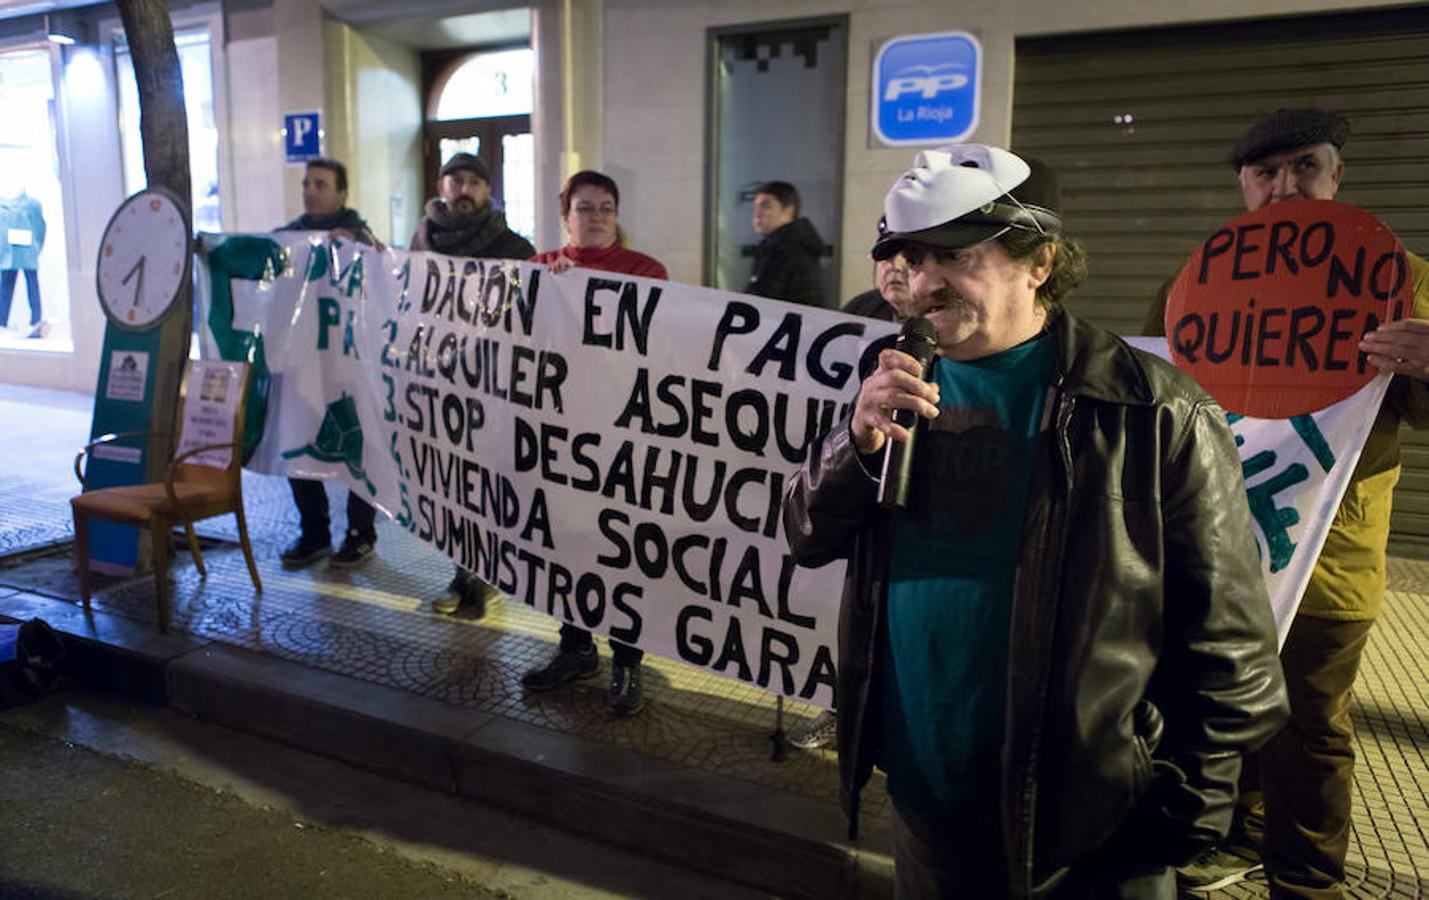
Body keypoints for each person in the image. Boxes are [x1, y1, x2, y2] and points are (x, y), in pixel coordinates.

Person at [783, 144, 1288, 897]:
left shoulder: (1153, 410)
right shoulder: (893, 383)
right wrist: (853, 443)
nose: (922, 285)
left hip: (1091, 826)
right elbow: (805, 535)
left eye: (953, 256)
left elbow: (1234, 657)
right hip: (925, 799)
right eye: (909, 259)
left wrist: (1171, 818)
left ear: (1039, 263)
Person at [1145, 109, 1429, 896]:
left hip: (1327, 552)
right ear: (1242, 185)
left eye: (1304, 167)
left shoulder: (1400, 276)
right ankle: (1235, 834)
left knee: (1306, 727)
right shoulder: (1196, 278)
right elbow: (1155, 392)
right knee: (1213, 699)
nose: (1284, 188)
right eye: (1264, 173)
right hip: (1208, 542)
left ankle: (1306, 881)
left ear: (1336, 177)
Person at [523, 170, 666, 716]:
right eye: (586, 207)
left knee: (619, 546)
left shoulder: (647, 272)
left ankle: (627, 658)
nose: (598, 215)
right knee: (568, 545)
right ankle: (576, 647)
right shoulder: (540, 270)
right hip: (558, 435)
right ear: (566, 215)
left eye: (607, 206)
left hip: (621, 433)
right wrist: (549, 293)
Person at [787, 234, 919, 753]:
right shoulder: (856, 315)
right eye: (884, 256)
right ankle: (840, 709)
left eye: (911, 258)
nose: (894, 268)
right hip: (853, 492)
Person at [410, 151, 535, 616]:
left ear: (488, 190)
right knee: (451, 488)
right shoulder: (423, 243)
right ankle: (462, 575)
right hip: (440, 384)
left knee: (483, 486)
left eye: (474, 183)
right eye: (455, 180)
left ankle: (482, 577)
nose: (464, 190)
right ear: (443, 187)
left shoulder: (514, 247)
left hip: (492, 386)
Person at [275, 157, 380, 569]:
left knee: (357, 446)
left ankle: (360, 533)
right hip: (303, 365)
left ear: (341, 193)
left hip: (348, 365)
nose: (310, 191)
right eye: (306, 184)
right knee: (298, 444)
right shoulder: (288, 239)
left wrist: (355, 245)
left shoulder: (361, 238)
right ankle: (314, 533)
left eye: (320, 184)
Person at [746, 180, 825, 307]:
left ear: (788, 210)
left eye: (766, 206)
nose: (757, 214)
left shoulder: (796, 251)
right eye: (756, 207)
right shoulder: (771, 247)